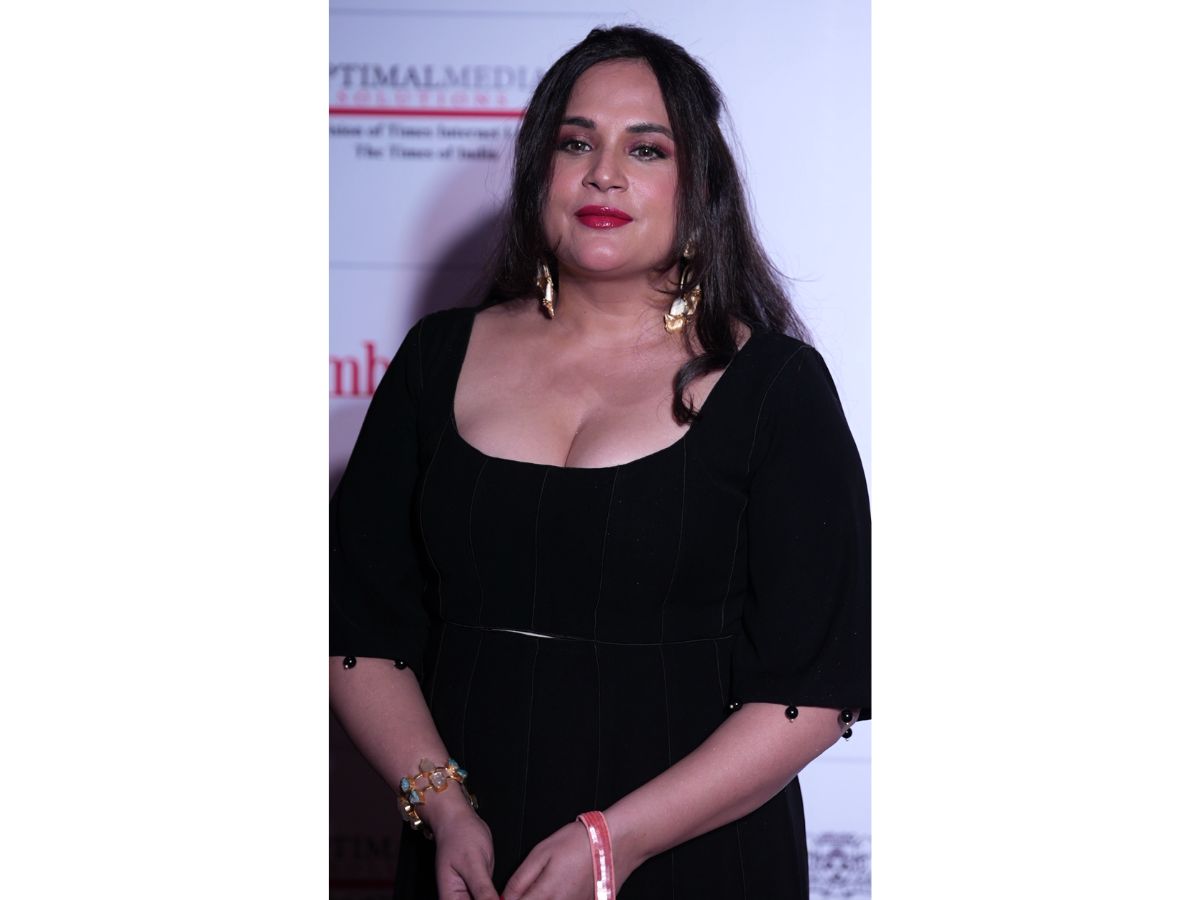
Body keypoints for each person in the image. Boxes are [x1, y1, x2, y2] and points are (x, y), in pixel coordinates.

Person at [330, 24, 870, 900]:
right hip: (469, 854)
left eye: (646, 149)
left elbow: (811, 694)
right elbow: (358, 633)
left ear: (700, 185)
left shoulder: (776, 387)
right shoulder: (436, 359)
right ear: (538, 170)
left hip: (697, 852)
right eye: (576, 143)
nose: (603, 174)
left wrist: (615, 842)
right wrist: (444, 808)